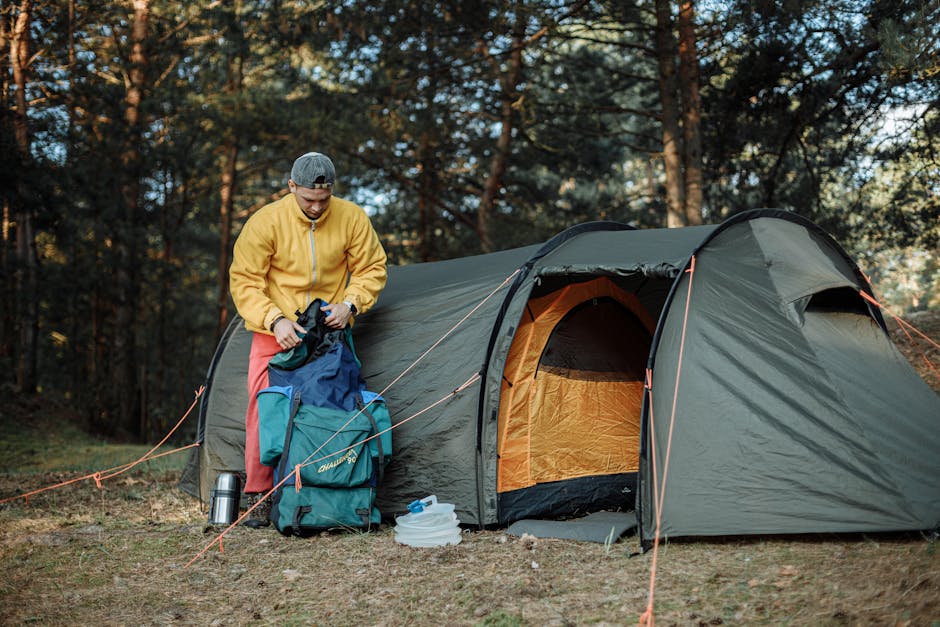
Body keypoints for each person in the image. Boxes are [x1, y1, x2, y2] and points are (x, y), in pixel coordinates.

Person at [229, 152, 387, 527]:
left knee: (328, 408)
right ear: (291, 187)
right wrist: (274, 319)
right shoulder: (265, 222)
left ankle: (321, 492)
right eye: (307, 200)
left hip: (328, 333)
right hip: (277, 331)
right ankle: (260, 496)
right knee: (265, 409)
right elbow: (245, 281)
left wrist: (350, 303)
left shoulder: (351, 218)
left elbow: (372, 268)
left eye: (323, 199)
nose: (316, 207)